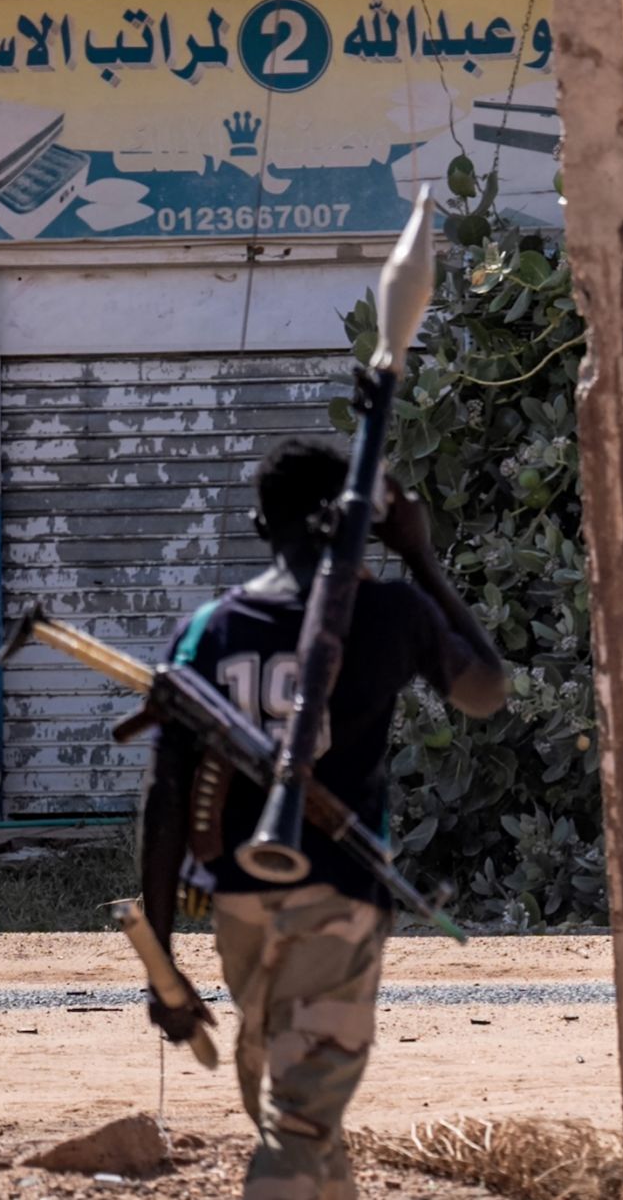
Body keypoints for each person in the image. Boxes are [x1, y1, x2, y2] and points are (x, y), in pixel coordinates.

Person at [139, 436, 507, 1200]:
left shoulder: (208, 630)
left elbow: (165, 800)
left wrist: (165, 962)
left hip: (238, 903)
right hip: (338, 900)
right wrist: (423, 558)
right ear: (360, 523)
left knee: (302, 1113)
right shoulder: (392, 611)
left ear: (257, 522)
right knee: (300, 1119)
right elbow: (486, 690)